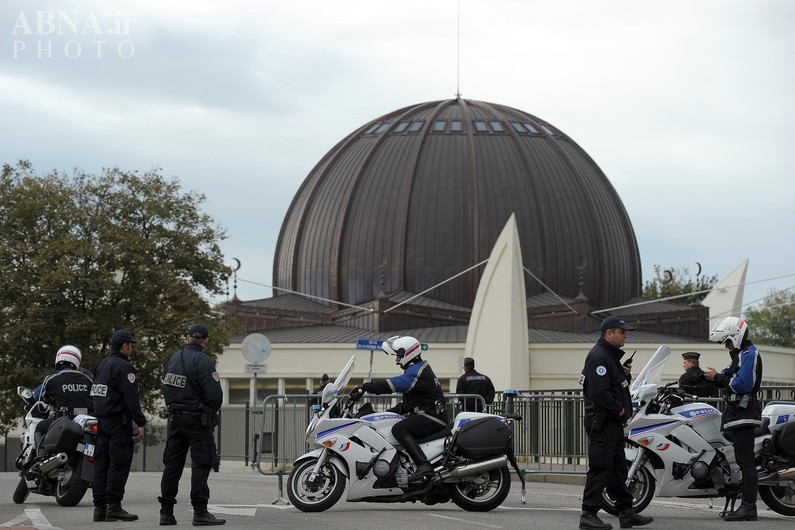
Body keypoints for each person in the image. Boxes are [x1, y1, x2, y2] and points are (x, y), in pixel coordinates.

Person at [578, 316, 652, 530]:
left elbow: (613, 385)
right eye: (622, 332)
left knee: (618, 469)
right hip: (602, 421)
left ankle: (626, 512)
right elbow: (600, 392)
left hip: (611, 423)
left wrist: (624, 375)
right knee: (601, 468)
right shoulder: (599, 357)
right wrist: (619, 409)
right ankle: (588, 514)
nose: (625, 335)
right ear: (609, 333)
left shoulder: (609, 357)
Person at [349, 336, 448, 484]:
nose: (397, 359)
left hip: (432, 416)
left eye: (399, 355)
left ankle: (424, 465)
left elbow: (393, 384)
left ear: (408, 353)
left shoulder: (417, 371)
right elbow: (406, 405)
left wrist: (365, 387)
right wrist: (380, 415)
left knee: (398, 429)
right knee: (393, 424)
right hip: (428, 414)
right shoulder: (418, 368)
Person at [158, 323, 225, 526]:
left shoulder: (171, 359)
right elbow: (215, 396)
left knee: (172, 466)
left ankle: (166, 512)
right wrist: (208, 410)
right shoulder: (204, 361)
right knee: (201, 464)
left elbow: (166, 387)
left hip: (175, 419)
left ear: (187, 337)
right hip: (197, 419)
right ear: (205, 340)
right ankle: (200, 512)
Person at [704, 316, 763, 522]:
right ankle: (744, 505)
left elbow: (741, 384)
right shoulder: (740, 356)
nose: (726, 346)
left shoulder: (749, 354)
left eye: (727, 341)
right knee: (742, 460)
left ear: (736, 337)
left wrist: (718, 378)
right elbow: (727, 375)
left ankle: (749, 507)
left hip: (744, 413)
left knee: (746, 463)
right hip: (738, 413)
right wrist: (707, 376)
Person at [90, 329, 146, 522]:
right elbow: (131, 398)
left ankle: (100, 508)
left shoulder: (101, 365)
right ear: (125, 346)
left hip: (101, 421)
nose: (131, 349)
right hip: (118, 423)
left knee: (101, 465)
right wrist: (140, 422)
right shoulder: (123, 367)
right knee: (119, 463)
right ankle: (113, 506)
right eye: (131, 345)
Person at [33, 345, 93, 455]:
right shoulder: (87, 379)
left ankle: (40, 458)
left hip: (63, 419)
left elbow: (38, 396)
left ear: (59, 358)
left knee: (39, 427)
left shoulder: (52, 378)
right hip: (86, 421)